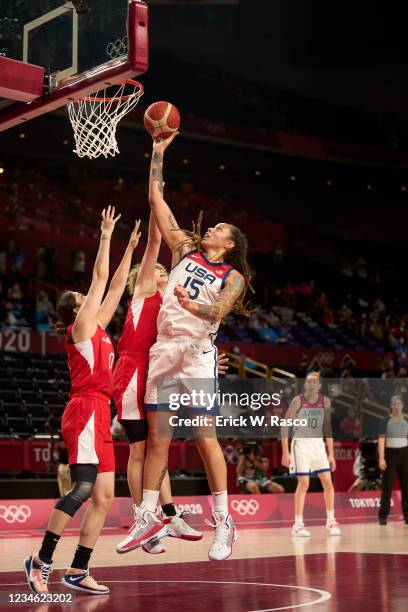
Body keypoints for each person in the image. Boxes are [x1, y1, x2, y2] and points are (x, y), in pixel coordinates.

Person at [117, 131, 253, 561]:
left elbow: (218, 314)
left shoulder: (232, 276)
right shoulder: (184, 249)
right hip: (163, 352)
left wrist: (194, 304)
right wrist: (157, 151)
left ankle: (224, 521)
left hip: (196, 354)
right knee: (159, 441)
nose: (208, 227)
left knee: (203, 437)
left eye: (217, 229)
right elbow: (157, 202)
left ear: (228, 244)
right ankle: (146, 515)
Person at [24, 207, 141, 595]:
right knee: (82, 490)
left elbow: (116, 284)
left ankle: (78, 570)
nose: (87, 297)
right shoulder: (81, 328)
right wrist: (107, 235)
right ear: (75, 310)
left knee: (104, 497)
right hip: (85, 408)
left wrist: (132, 249)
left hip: (101, 412)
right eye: (80, 297)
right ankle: (40, 560)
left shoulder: (100, 329)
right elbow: (101, 279)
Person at [113, 214, 204, 554]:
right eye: (159, 271)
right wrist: (156, 203)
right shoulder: (143, 291)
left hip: (158, 373)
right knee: (139, 450)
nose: (164, 273)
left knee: (157, 450)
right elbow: (155, 244)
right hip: (132, 370)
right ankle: (143, 519)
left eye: (167, 271)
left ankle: (168, 515)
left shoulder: (174, 304)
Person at [281, 371, 341, 537]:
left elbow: (327, 428)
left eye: (314, 382)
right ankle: (298, 525)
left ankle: (330, 521)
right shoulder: (298, 400)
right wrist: (285, 452)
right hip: (301, 445)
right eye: (308, 381)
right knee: (304, 484)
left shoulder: (325, 401)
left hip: (318, 445)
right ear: (305, 385)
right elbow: (285, 426)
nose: (311, 384)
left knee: (328, 483)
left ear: (320, 385)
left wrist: (331, 454)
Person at [378, 395, 408, 525]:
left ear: (403, 406)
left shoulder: (407, 420)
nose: (397, 406)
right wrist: (381, 458)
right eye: (394, 404)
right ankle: (383, 516)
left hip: (405, 453)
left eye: (399, 403)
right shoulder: (385, 421)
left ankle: (407, 516)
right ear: (391, 406)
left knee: (406, 486)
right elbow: (381, 440)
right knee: (387, 486)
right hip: (390, 454)